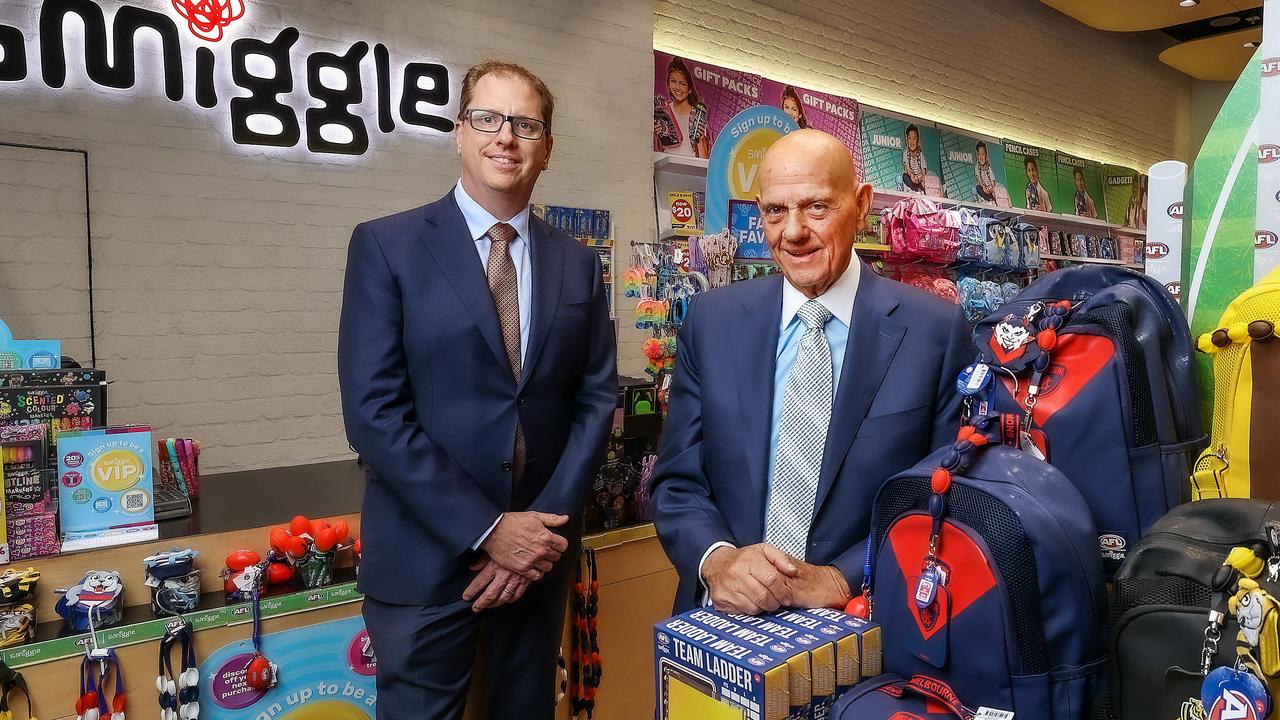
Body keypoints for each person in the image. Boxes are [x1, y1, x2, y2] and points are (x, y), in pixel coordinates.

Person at [338, 60, 617, 720]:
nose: (506, 137)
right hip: (424, 559)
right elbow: (374, 414)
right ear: (459, 133)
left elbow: (596, 398)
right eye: (488, 119)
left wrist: (538, 534)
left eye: (526, 124)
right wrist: (490, 529)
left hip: (539, 563)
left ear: (546, 148)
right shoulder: (387, 247)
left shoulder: (578, 263)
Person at [650, 129, 972, 614]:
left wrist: (843, 578)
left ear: (862, 205)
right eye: (775, 211)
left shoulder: (934, 332)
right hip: (724, 627)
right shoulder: (711, 322)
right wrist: (717, 562)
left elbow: (943, 497)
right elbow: (677, 481)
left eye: (817, 207)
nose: (794, 231)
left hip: (863, 627)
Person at [654, 57, 710, 158]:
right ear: (668, 84)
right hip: (666, 166)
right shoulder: (663, 112)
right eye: (673, 81)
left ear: (689, 89)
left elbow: (704, 160)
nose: (677, 87)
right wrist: (658, 136)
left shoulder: (698, 116)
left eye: (682, 84)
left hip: (690, 168)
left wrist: (701, 139)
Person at [901, 124, 928, 193]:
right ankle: (913, 190)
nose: (911, 141)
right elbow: (907, 169)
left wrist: (919, 178)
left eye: (914, 138)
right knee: (904, 176)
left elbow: (923, 172)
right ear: (907, 140)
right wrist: (912, 176)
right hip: (911, 178)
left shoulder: (920, 155)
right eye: (909, 138)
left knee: (924, 184)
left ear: (918, 141)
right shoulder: (905, 153)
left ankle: (919, 190)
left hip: (919, 179)